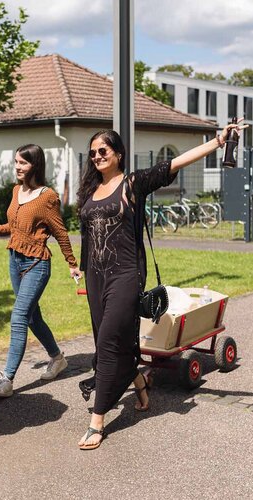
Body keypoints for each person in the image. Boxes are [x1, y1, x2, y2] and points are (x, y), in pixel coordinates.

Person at [77, 120, 247, 450]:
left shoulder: (133, 184)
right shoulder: (89, 191)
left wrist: (217, 143)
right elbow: (88, 236)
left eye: (103, 151)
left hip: (126, 275)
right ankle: (139, 380)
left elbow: (174, 163)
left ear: (119, 154)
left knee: (110, 341)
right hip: (96, 276)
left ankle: (97, 419)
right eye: (93, 153)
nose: (97, 156)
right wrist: (79, 270)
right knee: (109, 338)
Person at [0, 144, 81, 398]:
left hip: (36, 264)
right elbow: (16, 226)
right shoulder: (17, 191)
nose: (17, 167)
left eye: (23, 163)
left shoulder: (47, 197)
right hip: (15, 260)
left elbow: (60, 231)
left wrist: (72, 263)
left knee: (18, 317)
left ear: (35, 165)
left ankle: (6, 380)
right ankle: (58, 358)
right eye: (16, 161)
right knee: (31, 318)